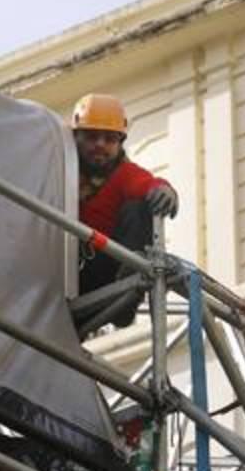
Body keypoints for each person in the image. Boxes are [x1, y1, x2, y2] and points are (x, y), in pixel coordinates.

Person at [71, 94, 178, 332]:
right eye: (92, 137)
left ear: (120, 143)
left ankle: (129, 285)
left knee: (139, 206)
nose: (100, 144)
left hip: (108, 267)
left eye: (109, 139)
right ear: (75, 138)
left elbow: (148, 184)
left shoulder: (123, 173)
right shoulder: (60, 168)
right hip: (71, 271)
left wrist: (164, 190)